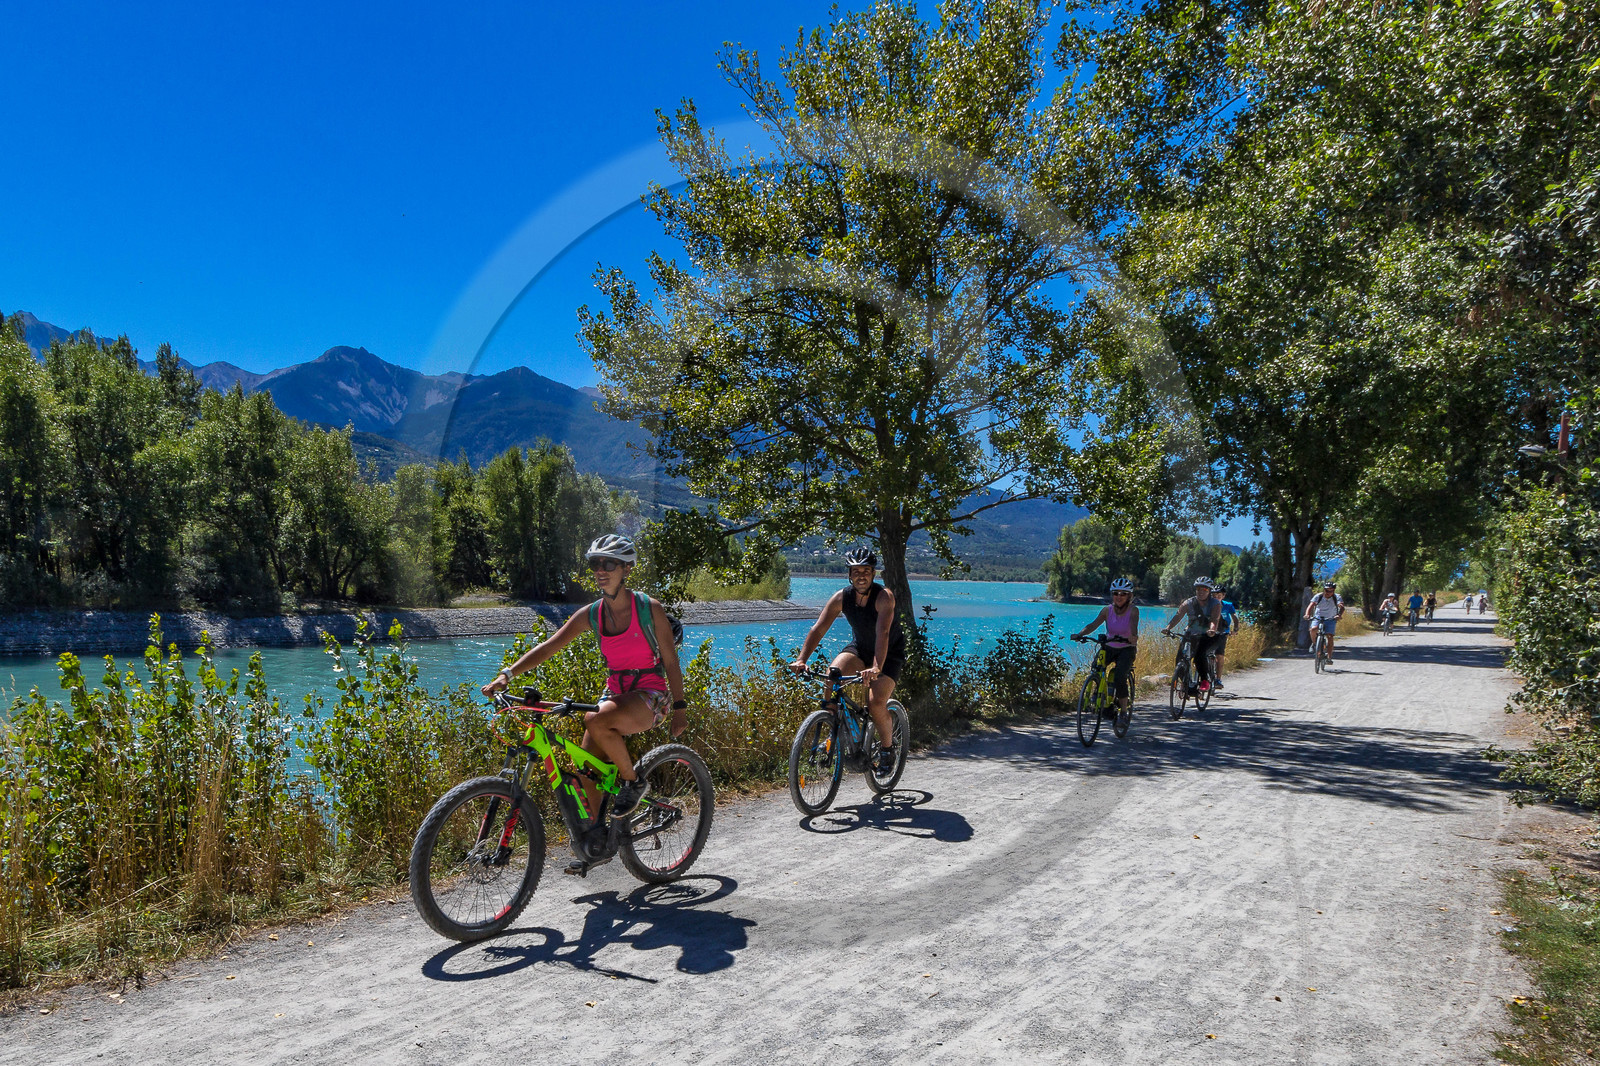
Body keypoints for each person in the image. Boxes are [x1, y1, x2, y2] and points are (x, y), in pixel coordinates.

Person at [482, 534, 688, 834]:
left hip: (651, 695)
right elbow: (550, 646)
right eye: (595, 564)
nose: (601, 570)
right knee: (585, 774)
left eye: (609, 564)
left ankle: (634, 782)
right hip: (615, 695)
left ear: (626, 569)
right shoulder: (592, 614)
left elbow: (670, 662)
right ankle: (597, 840)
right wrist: (507, 674)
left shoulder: (649, 609)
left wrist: (680, 707)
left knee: (595, 719)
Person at [789, 548, 906, 775]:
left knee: (875, 702)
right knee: (833, 673)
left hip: (888, 654)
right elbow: (819, 628)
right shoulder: (842, 597)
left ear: (873, 574)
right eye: (856, 571)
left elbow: (882, 633)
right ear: (850, 575)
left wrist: (876, 668)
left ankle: (887, 750)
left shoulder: (884, 597)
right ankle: (833, 731)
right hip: (860, 649)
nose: (861, 575)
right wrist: (802, 659)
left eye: (866, 571)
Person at [1073, 577, 1140, 722]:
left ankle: (1123, 711)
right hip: (1109, 646)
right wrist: (1080, 634)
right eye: (1116, 593)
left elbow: (1134, 627)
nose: (1119, 597)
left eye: (1123, 594)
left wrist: (1133, 637)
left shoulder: (1133, 611)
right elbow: (1093, 625)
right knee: (1096, 667)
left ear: (1129, 596)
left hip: (1126, 649)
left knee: (1119, 676)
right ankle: (1097, 695)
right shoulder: (1106, 611)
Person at [1161, 577, 1221, 693]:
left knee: (1199, 656)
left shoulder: (1215, 604)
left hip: (1206, 635)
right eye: (1198, 589)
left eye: (1204, 589)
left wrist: (1212, 629)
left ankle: (1204, 680)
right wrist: (1168, 628)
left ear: (1209, 591)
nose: (1201, 591)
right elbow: (1178, 616)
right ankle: (1185, 682)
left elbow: (1214, 619)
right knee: (1180, 659)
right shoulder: (1188, 603)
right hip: (1190, 634)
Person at [1304, 581, 1346, 659]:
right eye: (1327, 590)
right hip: (1318, 617)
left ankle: (1329, 657)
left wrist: (1339, 615)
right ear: (1324, 590)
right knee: (1313, 629)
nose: (1328, 592)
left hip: (1331, 618)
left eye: (1331, 591)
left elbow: (1342, 607)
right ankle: (1314, 644)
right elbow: (1310, 606)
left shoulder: (1337, 597)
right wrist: (1307, 614)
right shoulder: (1318, 596)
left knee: (1330, 637)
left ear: (1334, 590)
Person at [1211, 581, 1237, 688]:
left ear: (1223, 596)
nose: (1216, 597)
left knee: (1219, 655)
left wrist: (1235, 629)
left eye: (1219, 596)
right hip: (1210, 631)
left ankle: (1218, 679)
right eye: (1214, 596)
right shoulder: (1208, 605)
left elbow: (1235, 617)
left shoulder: (1228, 605)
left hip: (1222, 632)